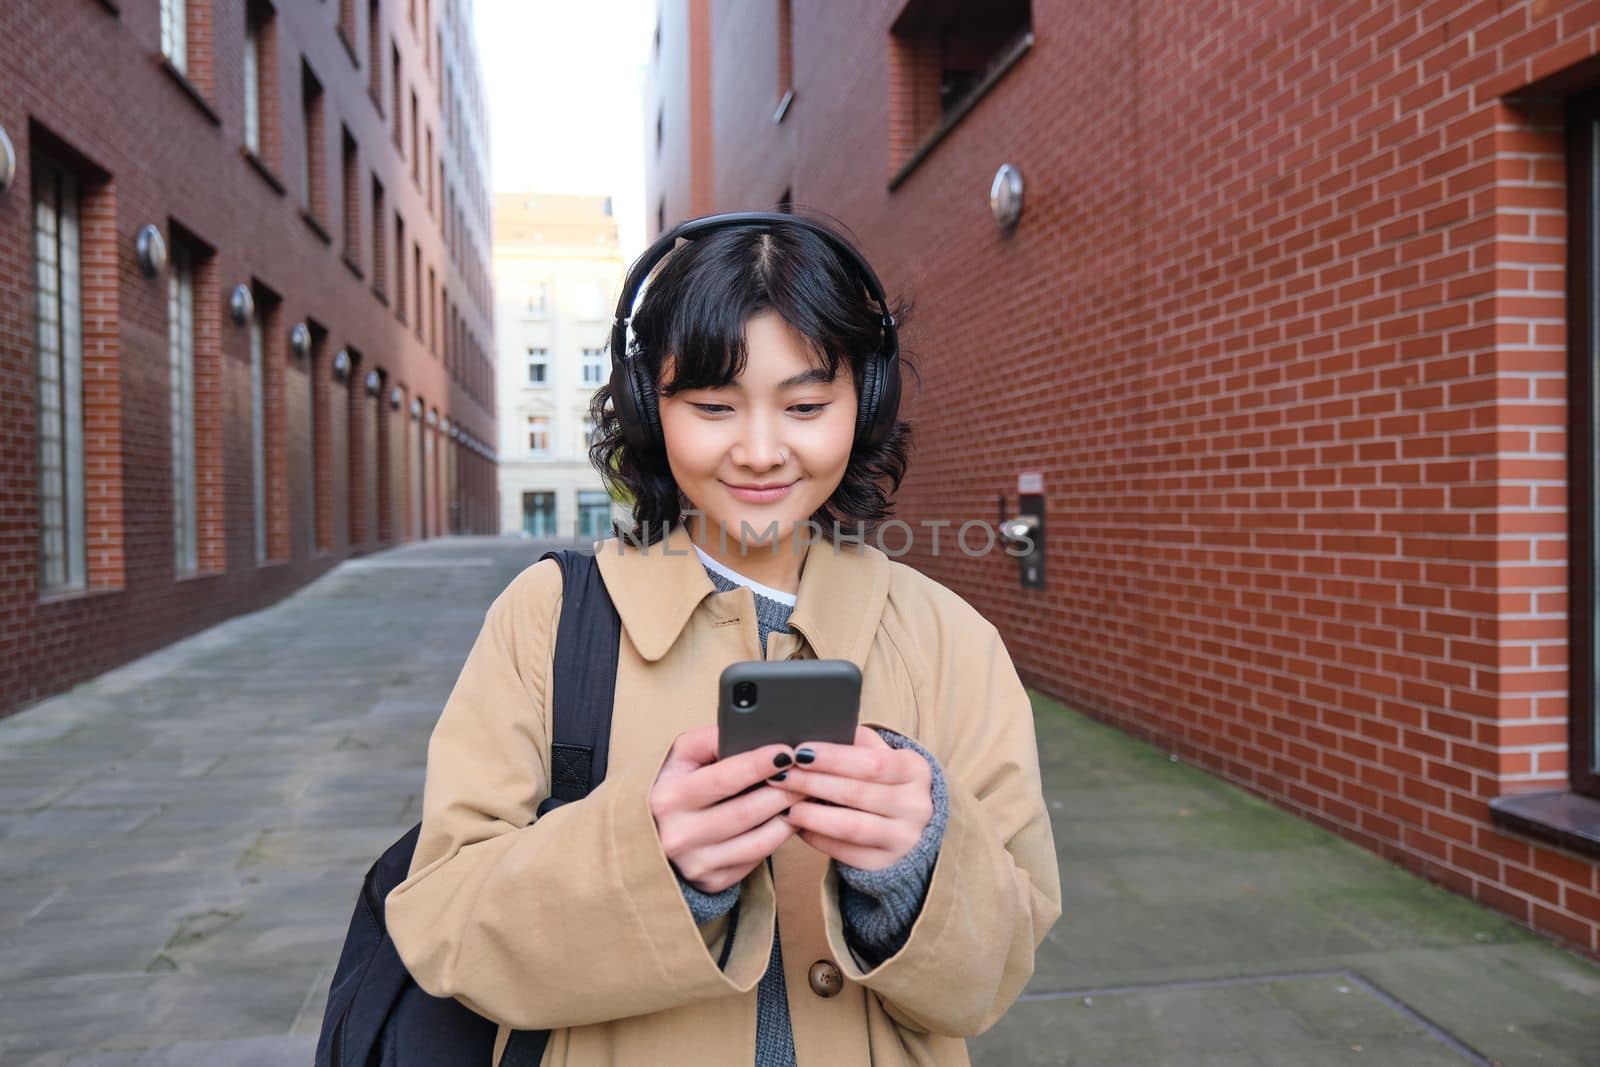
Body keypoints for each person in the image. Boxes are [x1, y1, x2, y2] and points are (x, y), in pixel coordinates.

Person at [383, 211, 1062, 1066]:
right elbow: (442, 924)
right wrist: (651, 864)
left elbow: (999, 971)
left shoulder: (953, 640)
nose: (761, 449)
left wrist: (918, 870)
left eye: (807, 404)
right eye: (712, 406)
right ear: (645, 407)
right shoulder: (549, 617)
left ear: (867, 401)